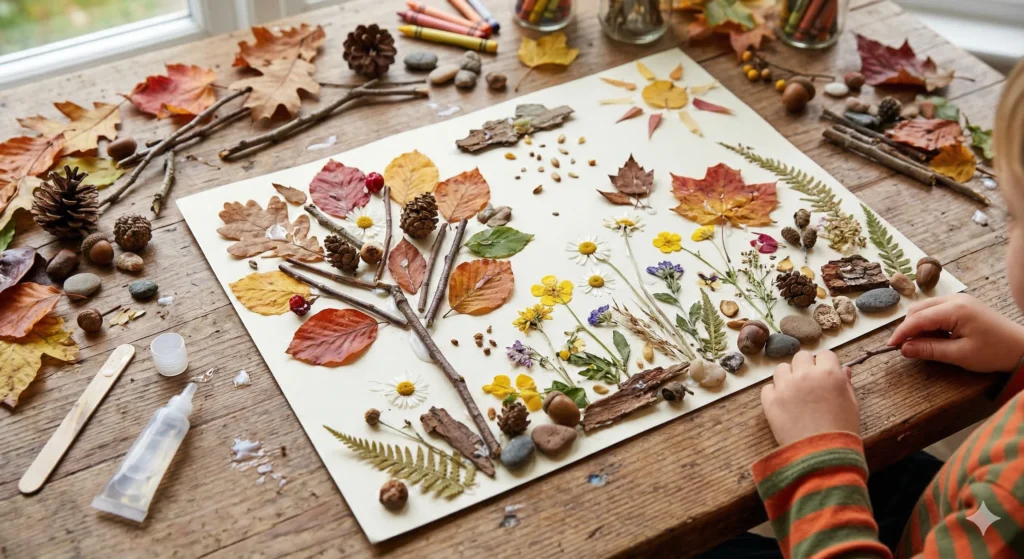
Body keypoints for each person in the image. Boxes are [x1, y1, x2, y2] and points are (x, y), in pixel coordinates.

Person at [705, 62, 1024, 558]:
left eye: (1015, 214)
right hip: (942, 518)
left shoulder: (1013, 493)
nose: (1008, 229)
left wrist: (819, 453)